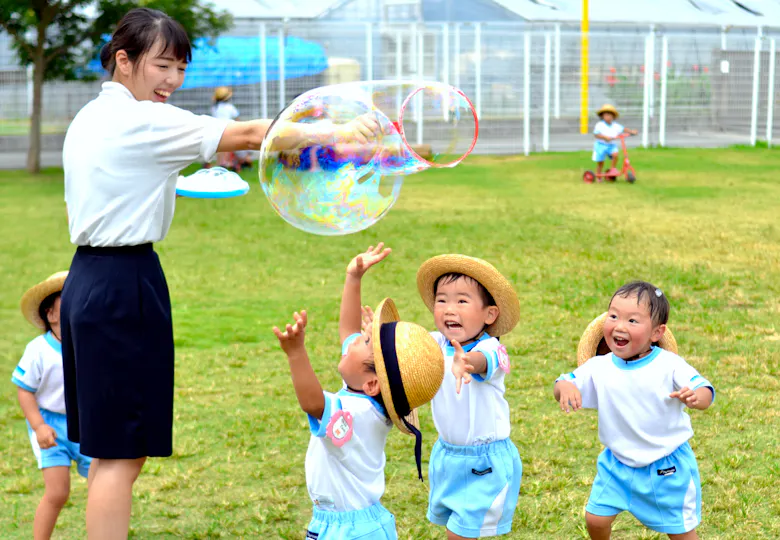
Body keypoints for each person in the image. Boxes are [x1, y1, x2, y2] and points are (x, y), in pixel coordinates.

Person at [60, 8, 379, 539]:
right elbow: (254, 133)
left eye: (181, 68)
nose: (173, 81)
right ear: (124, 60)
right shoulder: (142, 119)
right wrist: (341, 129)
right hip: (121, 287)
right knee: (120, 457)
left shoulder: (94, 116)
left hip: (91, 280)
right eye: (162, 65)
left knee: (113, 452)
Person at [273, 244, 445, 539]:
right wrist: (354, 278)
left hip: (350, 531)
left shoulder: (355, 413)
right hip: (352, 523)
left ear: (373, 384)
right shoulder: (364, 399)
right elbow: (347, 332)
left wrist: (295, 353)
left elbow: (313, 403)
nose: (353, 341)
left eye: (364, 343)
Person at [554, 281, 715, 540]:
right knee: (595, 518)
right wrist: (565, 388)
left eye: (632, 320)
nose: (619, 325)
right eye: (614, 316)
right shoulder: (599, 366)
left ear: (656, 332)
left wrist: (697, 397)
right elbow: (564, 381)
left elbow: (704, 389)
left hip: (666, 468)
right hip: (616, 465)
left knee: (681, 533)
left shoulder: (669, 365)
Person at [414, 254, 522, 539]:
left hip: (484, 461)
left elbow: (483, 360)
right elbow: (405, 350)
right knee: (457, 528)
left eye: (462, 301)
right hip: (447, 455)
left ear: (489, 314)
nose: (450, 309)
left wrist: (468, 363)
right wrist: (377, 338)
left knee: (458, 535)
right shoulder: (434, 344)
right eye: (442, 300)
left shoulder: (492, 349)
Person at [12, 271, 92, 540]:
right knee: (58, 493)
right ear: (51, 314)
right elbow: (25, 390)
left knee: (103, 485)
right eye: (69, 299)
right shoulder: (38, 351)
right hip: (50, 426)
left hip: (87, 425)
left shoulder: (91, 345)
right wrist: (39, 426)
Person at [210, 86, 252, 171]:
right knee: (230, 148)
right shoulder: (230, 107)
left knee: (221, 149)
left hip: (218, 131)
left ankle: (222, 163)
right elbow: (237, 119)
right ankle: (230, 162)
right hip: (229, 129)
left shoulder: (214, 108)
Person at [592, 104, 638, 180]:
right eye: (606, 115)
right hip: (600, 145)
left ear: (613, 116)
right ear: (602, 116)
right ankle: (598, 176)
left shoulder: (615, 126)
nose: (608, 117)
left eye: (610, 115)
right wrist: (604, 137)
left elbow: (623, 129)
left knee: (615, 154)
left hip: (611, 145)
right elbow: (596, 134)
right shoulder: (600, 125)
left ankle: (612, 169)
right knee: (600, 162)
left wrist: (632, 132)